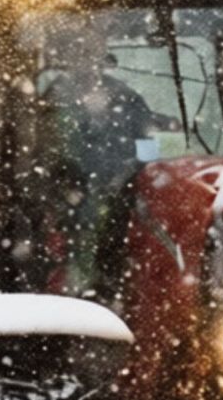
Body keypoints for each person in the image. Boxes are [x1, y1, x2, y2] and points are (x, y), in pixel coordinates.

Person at [38, 27, 175, 297]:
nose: (85, 59)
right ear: (67, 55)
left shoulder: (128, 99)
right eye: (79, 51)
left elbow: (148, 152)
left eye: (92, 52)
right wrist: (59, 185)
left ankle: (104, 293)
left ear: (102, 55)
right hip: (61, 212)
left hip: (118, 208)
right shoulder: (50, 102)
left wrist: (130, 178)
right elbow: (36, 154)